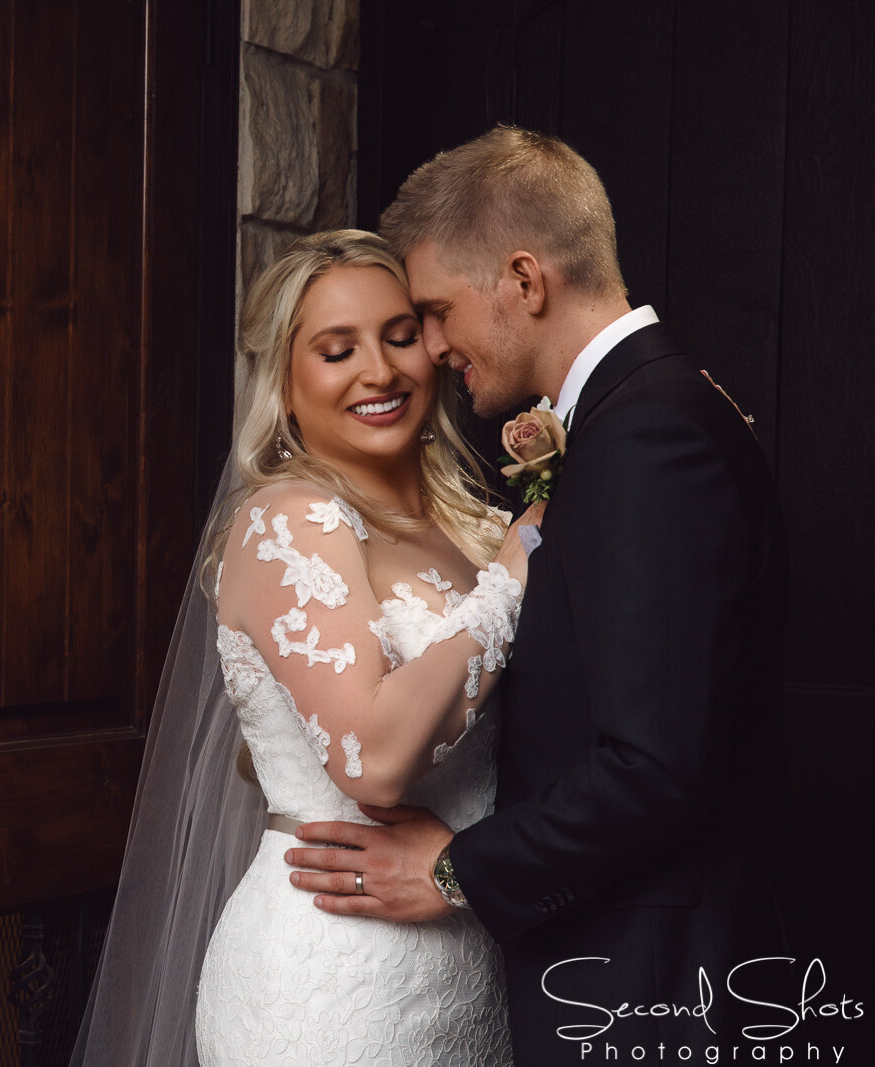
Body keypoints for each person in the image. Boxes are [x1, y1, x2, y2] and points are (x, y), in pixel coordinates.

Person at [283, 127, 788, 1064]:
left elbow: (655, 768)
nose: (430, 349)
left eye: (433, 312)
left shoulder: (644, 441)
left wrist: (454, 868)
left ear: (524, 279)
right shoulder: (643, 416)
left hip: (647, 981)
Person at [72, 228, 536, 1065]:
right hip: (333, 975)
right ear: (285, 385)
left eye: (400, 336)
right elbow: (371, 758)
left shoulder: (472, 531)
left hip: (465, 953)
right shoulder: (291, 520)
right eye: (336, 349)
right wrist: (513, 579)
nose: (381, 371)